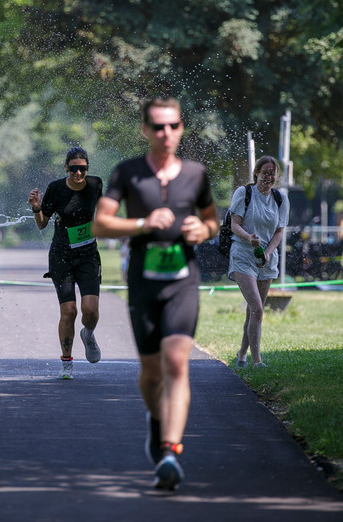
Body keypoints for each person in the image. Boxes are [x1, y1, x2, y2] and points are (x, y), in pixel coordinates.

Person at [93, 97, 219, 493]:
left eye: (174, 126)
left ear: (182, 129)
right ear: (145, 131)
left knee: (177, 363)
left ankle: (170, 451)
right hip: (144, 281)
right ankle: (157, 421)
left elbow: (213, 219)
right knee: (150, 372)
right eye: (158, 127)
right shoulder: (128, 173)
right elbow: (100, 224)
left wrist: (205, 230)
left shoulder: (197, 174)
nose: (166, 134)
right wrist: (144, 222)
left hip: (183, 280)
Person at [28, 147, 104, 380]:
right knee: (69, 311)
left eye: (82, 168)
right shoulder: (56, 189)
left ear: (87, 168)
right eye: (74, 168)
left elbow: (101, 213)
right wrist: (37, 208)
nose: (78, 173)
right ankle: (67, 363)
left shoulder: (95, 185)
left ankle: (88, 335)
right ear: (66, 168)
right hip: (62, 256)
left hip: (88, 255)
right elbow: (42, 224)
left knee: (90, 311)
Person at [229, 156, 290, 369]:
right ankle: (257, 361)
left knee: (253, 311)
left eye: (273, 173)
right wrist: (250, 238)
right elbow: (234, 225)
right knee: (257, 309)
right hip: (243, 255)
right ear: (256, 173)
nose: (269, 177)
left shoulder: (280, 199)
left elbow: (280, 230)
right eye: (265, 172)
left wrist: (268, 252)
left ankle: (242, 354)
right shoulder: (243, 193)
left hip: (266, 259)